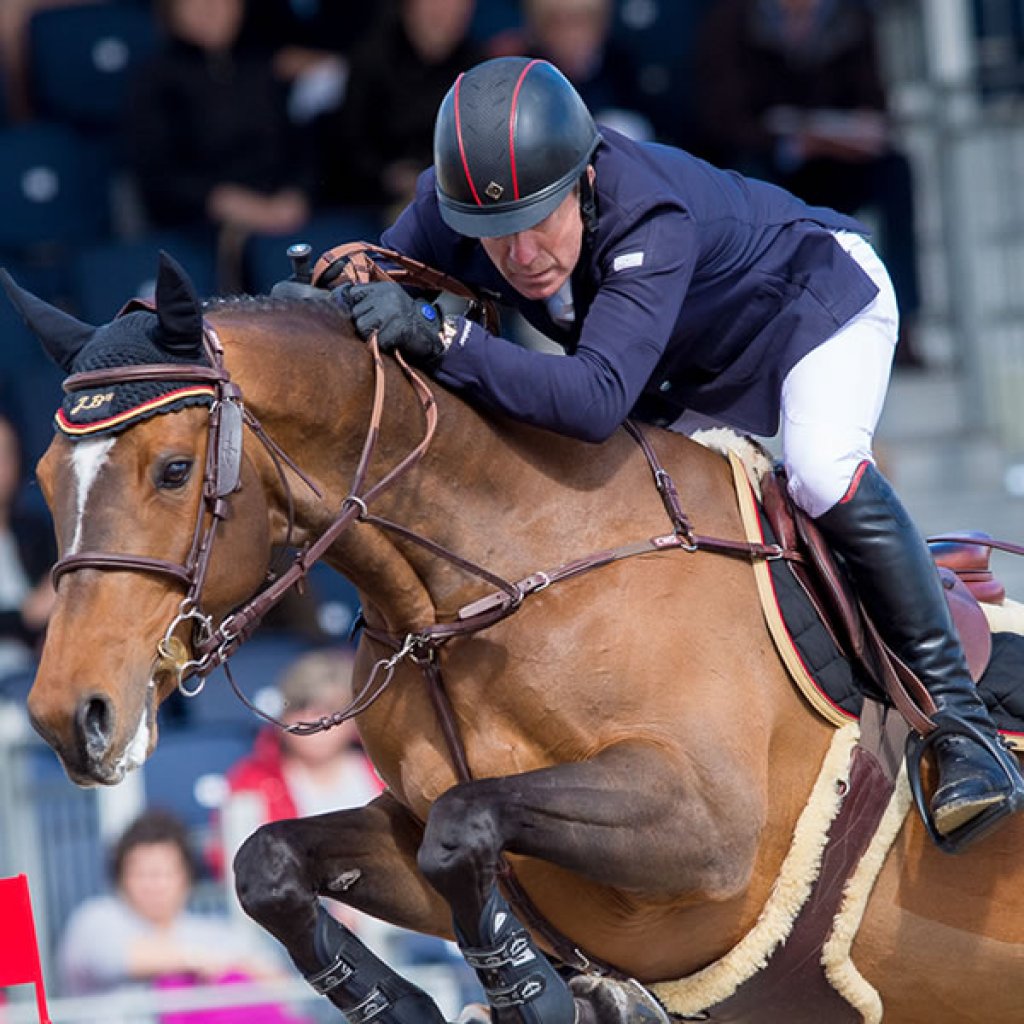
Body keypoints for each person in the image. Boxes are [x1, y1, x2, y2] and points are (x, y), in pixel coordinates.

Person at [337, 55, 1024, 850]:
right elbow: (378, 276)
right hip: (679, 363)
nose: (520, 255)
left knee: (820, 468)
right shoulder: (458, 205)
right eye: (494, 237)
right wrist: (333, 295)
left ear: (585, 183)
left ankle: (960, 729)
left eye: (538, 223)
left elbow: (594, 401)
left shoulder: (647, 217)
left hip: (812, 311)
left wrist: (444, 337)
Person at [696, 0, 925, 368]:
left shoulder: (852, 18)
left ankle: (905, 320)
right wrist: (791, 140)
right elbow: (722, 118)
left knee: (895, 171)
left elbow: (874, 103)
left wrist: (852, 131)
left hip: (836, 163)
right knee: (750, 181)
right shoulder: (731, 21)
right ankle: (760, 321)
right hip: (767, 160)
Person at [57, 809, 306, 1022]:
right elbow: (113, 959)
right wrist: (197, 962)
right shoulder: (96, 919)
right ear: (120, 877)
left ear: (187, 877)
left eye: (166, 873)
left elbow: (281, 988)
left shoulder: (215, 933)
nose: (155, 884)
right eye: (142, 873)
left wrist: (231, 969)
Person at [124, 0, 314, 240]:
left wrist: (297, 193)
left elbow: (300, 146)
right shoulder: (154, 81)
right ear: (171, 11)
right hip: (199, 228)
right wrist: (220, 200)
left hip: (284, 213)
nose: (212, 9)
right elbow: (157, 173)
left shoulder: (262, 64)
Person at [317, 0, 482, 215]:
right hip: (378, 198)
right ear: (410, 7)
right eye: (437, 8)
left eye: (457, 9)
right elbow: (351, 146)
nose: (447, 16)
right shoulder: (372, 60)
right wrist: (389, 177)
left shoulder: (477, 69)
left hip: (451, 195)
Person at [0, 412, 55, 687]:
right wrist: (26, 617)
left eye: (5, 456)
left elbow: (58, 596)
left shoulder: (34, 531)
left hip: (38, 675)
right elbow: (38, 608)